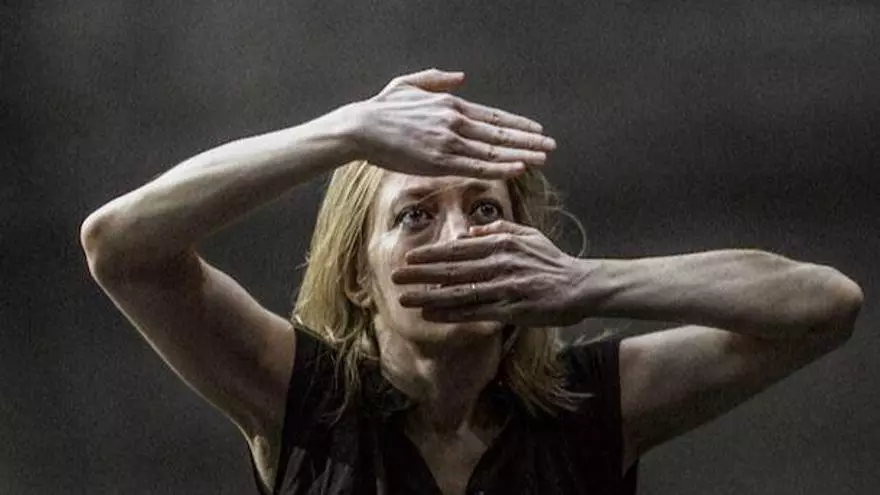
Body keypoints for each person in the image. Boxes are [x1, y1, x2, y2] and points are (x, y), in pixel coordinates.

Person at [80, 68, 863, 495]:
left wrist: (587, 283)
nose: (460, 236)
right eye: (416, 215)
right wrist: (342, 131)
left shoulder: (589, 408)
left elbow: (826, 305)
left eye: (485, 209)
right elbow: (120, 246)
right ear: (360, 276)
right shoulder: (303, 400)